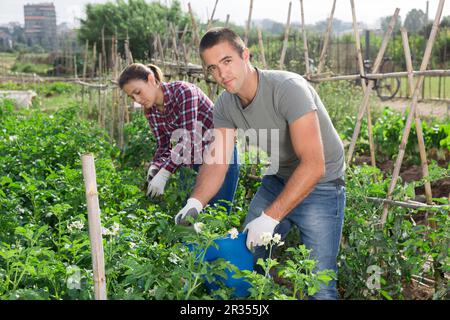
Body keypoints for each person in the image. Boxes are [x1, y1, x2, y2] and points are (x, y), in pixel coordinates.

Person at [174, 28, 346, 300]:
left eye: (227, 61)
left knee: (320, 285)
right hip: (278, 178)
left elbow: (314, 165)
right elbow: (217, 160)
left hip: (322, 186)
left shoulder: (288, 89)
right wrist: (195, 202)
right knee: (248, 262)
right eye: (213, 68)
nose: (221, 74)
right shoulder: (225, 105)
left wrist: (270, 216)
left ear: (245, 55)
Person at [118, 63, 240, 215]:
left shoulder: (184, 92)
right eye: (132, 96)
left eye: (138, 92)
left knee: (216, 216)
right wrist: (156, 167)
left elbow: (189, 138)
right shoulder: (151, 112)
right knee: (185, 219)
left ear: (151, 79)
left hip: (220, 157)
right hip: (191, 160)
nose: (137, 100)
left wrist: (165, 172)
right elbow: (163, 146)